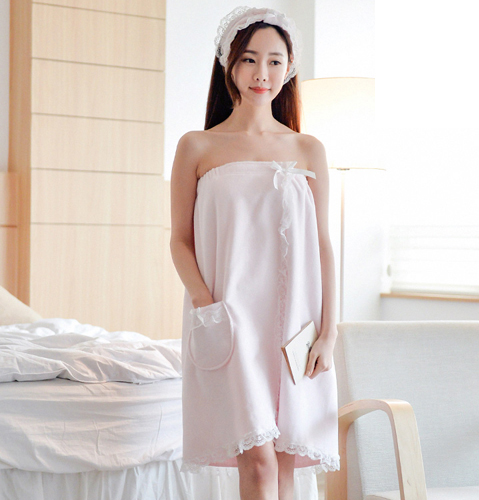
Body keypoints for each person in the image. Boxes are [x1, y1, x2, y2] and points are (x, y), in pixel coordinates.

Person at [170, 6, 340, 500]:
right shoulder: (197, 147)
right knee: (259, 463)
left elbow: (323, 244)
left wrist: (329, 332)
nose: (261, 73)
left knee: (284, 466)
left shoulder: (308, 149)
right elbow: (180, 240)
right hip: (231, 319)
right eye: (249, 59)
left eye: (274, 61)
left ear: (289, 68)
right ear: (229, 64)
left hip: (296, 325)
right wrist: (206, 305)